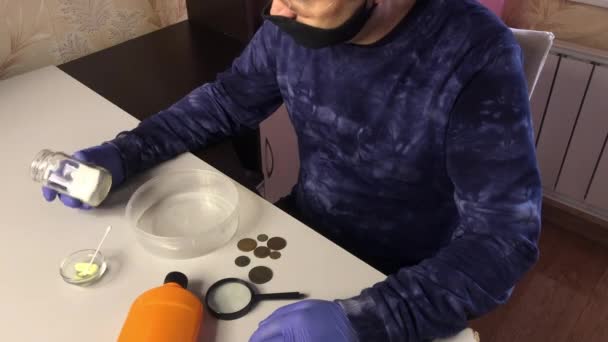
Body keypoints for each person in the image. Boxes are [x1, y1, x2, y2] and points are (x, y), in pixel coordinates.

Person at [43, 0, 542, 341]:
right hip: (302, 230)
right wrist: (127, 151)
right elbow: (226, 101)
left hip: (409, 275)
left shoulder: (476, 56)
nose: (278, 10)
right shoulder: (292, 24)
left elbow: (504, 239)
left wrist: (373, 321)